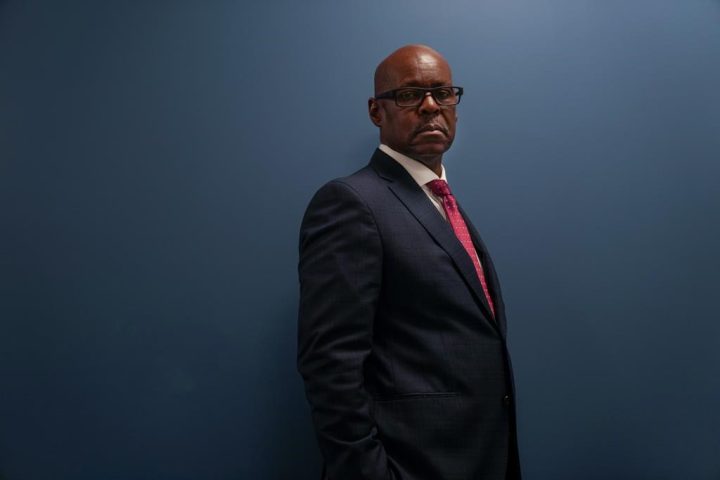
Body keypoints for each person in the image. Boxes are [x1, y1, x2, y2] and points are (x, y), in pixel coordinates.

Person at [297, 44, 521, 480]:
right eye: (409, 95)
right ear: (376, 111)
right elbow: (329, 364)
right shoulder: (351, 202)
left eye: (443, 93)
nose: (430, 106)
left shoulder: (443, 204)